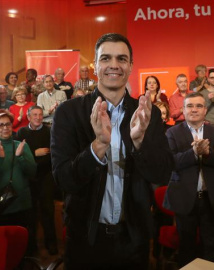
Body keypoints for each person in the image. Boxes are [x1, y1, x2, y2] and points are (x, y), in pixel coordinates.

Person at [50, 33, 173, 270]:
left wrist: (139, 143)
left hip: (134, 239)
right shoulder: (68, 113)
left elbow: (162, 173)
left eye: (121, 59)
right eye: (105, 58)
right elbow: (64, 179)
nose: (114, 65)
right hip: (85, 239)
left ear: (130, 66)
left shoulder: (149, 113)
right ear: (95, 66)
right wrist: (98, 146)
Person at [164, 92, 214, 268]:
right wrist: (194, 154)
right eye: (189, 106)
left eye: (198, 106)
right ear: (183, 110)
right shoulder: (171, 132)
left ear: (205, 110)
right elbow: (169, 163)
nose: (194, 110)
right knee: (186, 247)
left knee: (211, 247)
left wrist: (209, 154)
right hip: (184, 199)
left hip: (211, 200)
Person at [16, 105, 58, 255]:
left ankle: (51, 243)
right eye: (34, 114)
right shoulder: (21, 132)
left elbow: (52, 154)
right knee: (30, 213)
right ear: (28, 116)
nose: (38, 117)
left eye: (40, 114)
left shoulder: (49, 131)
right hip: (28, 177)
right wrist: (34, 152)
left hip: (46, 176)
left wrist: (32, 154)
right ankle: (31, 247)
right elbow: (18, 154)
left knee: (48, 210)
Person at [0, 109, 37, 254]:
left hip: (22, 203)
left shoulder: (21, 145)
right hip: (3, 206)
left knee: (24, 246)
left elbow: (32, 172)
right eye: (1, 125)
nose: (5, 128)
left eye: (8, 124)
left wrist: (20, 156)